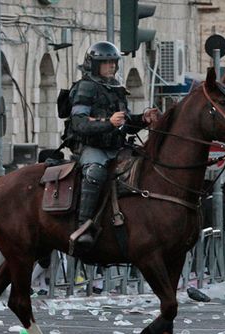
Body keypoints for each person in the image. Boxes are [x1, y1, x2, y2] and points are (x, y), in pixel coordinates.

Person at [66, 41, 160, 251]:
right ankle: (84, 226)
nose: (111, 66)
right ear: (94, 64)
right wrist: (108, 123)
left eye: (113, 62)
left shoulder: (117, 88)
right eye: (105, 62)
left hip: (117, 146)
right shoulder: (86, 86)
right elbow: (78, 123)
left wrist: (143, 119)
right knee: (95, 173)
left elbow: (124, 123)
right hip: (92, 147)